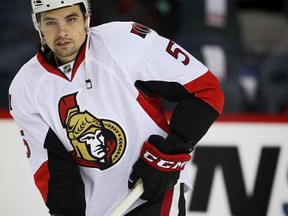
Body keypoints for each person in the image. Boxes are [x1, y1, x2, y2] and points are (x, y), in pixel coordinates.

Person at [8, 0, 224, 215]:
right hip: (97, 209)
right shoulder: (25, 88)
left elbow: (205, 90)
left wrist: (166, 157)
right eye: (50, 22)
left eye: (71, 19)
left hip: (153, 194)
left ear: (86, 18)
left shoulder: (125, 42)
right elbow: (55, 171)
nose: (62, 31)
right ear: (38, 25)